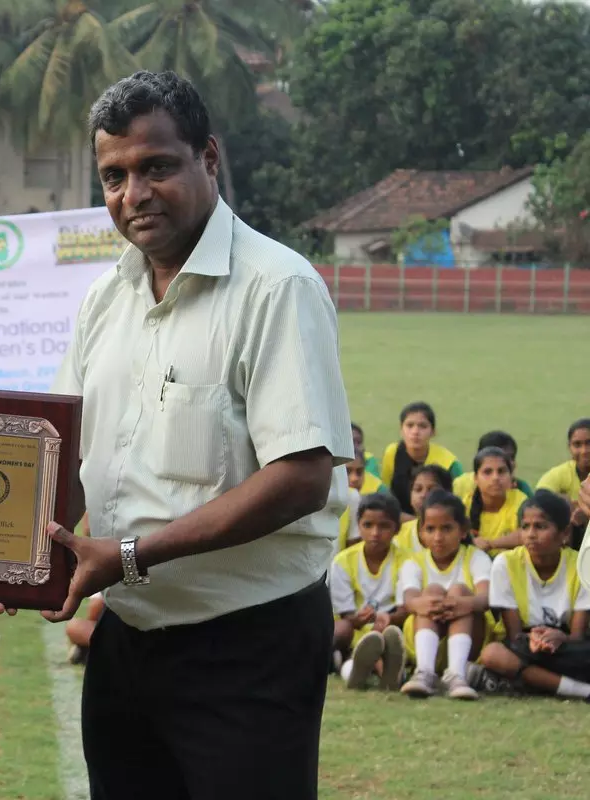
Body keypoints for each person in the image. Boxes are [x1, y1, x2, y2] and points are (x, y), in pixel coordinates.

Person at [35, 72, 352, 800]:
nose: (133, 194)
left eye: (156, 167)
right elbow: (64, 447)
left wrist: (126, 556)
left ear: (208, 158)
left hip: (248, 642)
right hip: (128, 636)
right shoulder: (105, 295)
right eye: (113, 176)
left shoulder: (276, 287)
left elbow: (301, 476)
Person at [474, 490, 590, 699]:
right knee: (492, 654)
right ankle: (580, 690)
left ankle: (527, 682)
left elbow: (578, 635)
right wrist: (533, 640)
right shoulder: (505, 564)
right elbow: (514, 635)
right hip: (526, 646)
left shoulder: (581, 566)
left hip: (566, 647)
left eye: (541, 526)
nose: (531, 534)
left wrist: (560, 638)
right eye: (525, 527)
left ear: (564, 533)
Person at [397, 490, 491, 700]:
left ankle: (457, 674)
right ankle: (424, 672)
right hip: (424, 640)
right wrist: (429, 604)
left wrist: (460, 603)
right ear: (421, 533)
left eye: (446, 528)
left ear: (463, 530)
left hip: (470, 645)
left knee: (459, 590)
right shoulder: (413, 563)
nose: (438, 537)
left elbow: (485, 599)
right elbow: (409, 601)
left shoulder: (477, 558)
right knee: (432, 591)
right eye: (430, 529)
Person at [330, 494, 409, 691]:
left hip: (390, 629)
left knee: (384, 634)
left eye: (384, 526)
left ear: (397, 528)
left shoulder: (407, 561)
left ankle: (364, 668)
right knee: (342, 629)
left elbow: (405, 608)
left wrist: (387, 619)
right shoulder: (343, 561)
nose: (375, 533)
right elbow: (346, 614)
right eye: (368, 525)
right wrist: (359, 619)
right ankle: (383, 671)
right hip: (356, 629)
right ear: (359, 525)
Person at [382, 401, 462, 511]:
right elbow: (386, 493)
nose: (415, 432)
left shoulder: (449, 463)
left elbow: (458, 504)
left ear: (433, 432)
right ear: (401, 430)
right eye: (410, 425)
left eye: (422, 426)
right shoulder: (392, 452)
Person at [463, 446, 528, 556]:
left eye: (501, 471)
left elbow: (527, 534)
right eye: (487, 472)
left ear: (511, 476)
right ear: (475, 478)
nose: (495, 478)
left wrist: (491, 544)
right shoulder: (466, 504)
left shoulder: (520, 500)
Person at [538, 418, 590, 549]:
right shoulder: (562, 472)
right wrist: (568, 508)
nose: (584, 451)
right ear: (569, 448)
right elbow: (540, 499)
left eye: (589, 443)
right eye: (577, 445)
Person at [453, 430, 534, 498]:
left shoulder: (522, 490)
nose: (495, 477)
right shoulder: (460, 486)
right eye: (488, 471)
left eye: (511, 457)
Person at [393, 464, 453, 554]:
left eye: (431, 490)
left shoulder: (455, 532)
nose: (423, 495)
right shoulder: (400, 534)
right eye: (418, 489)